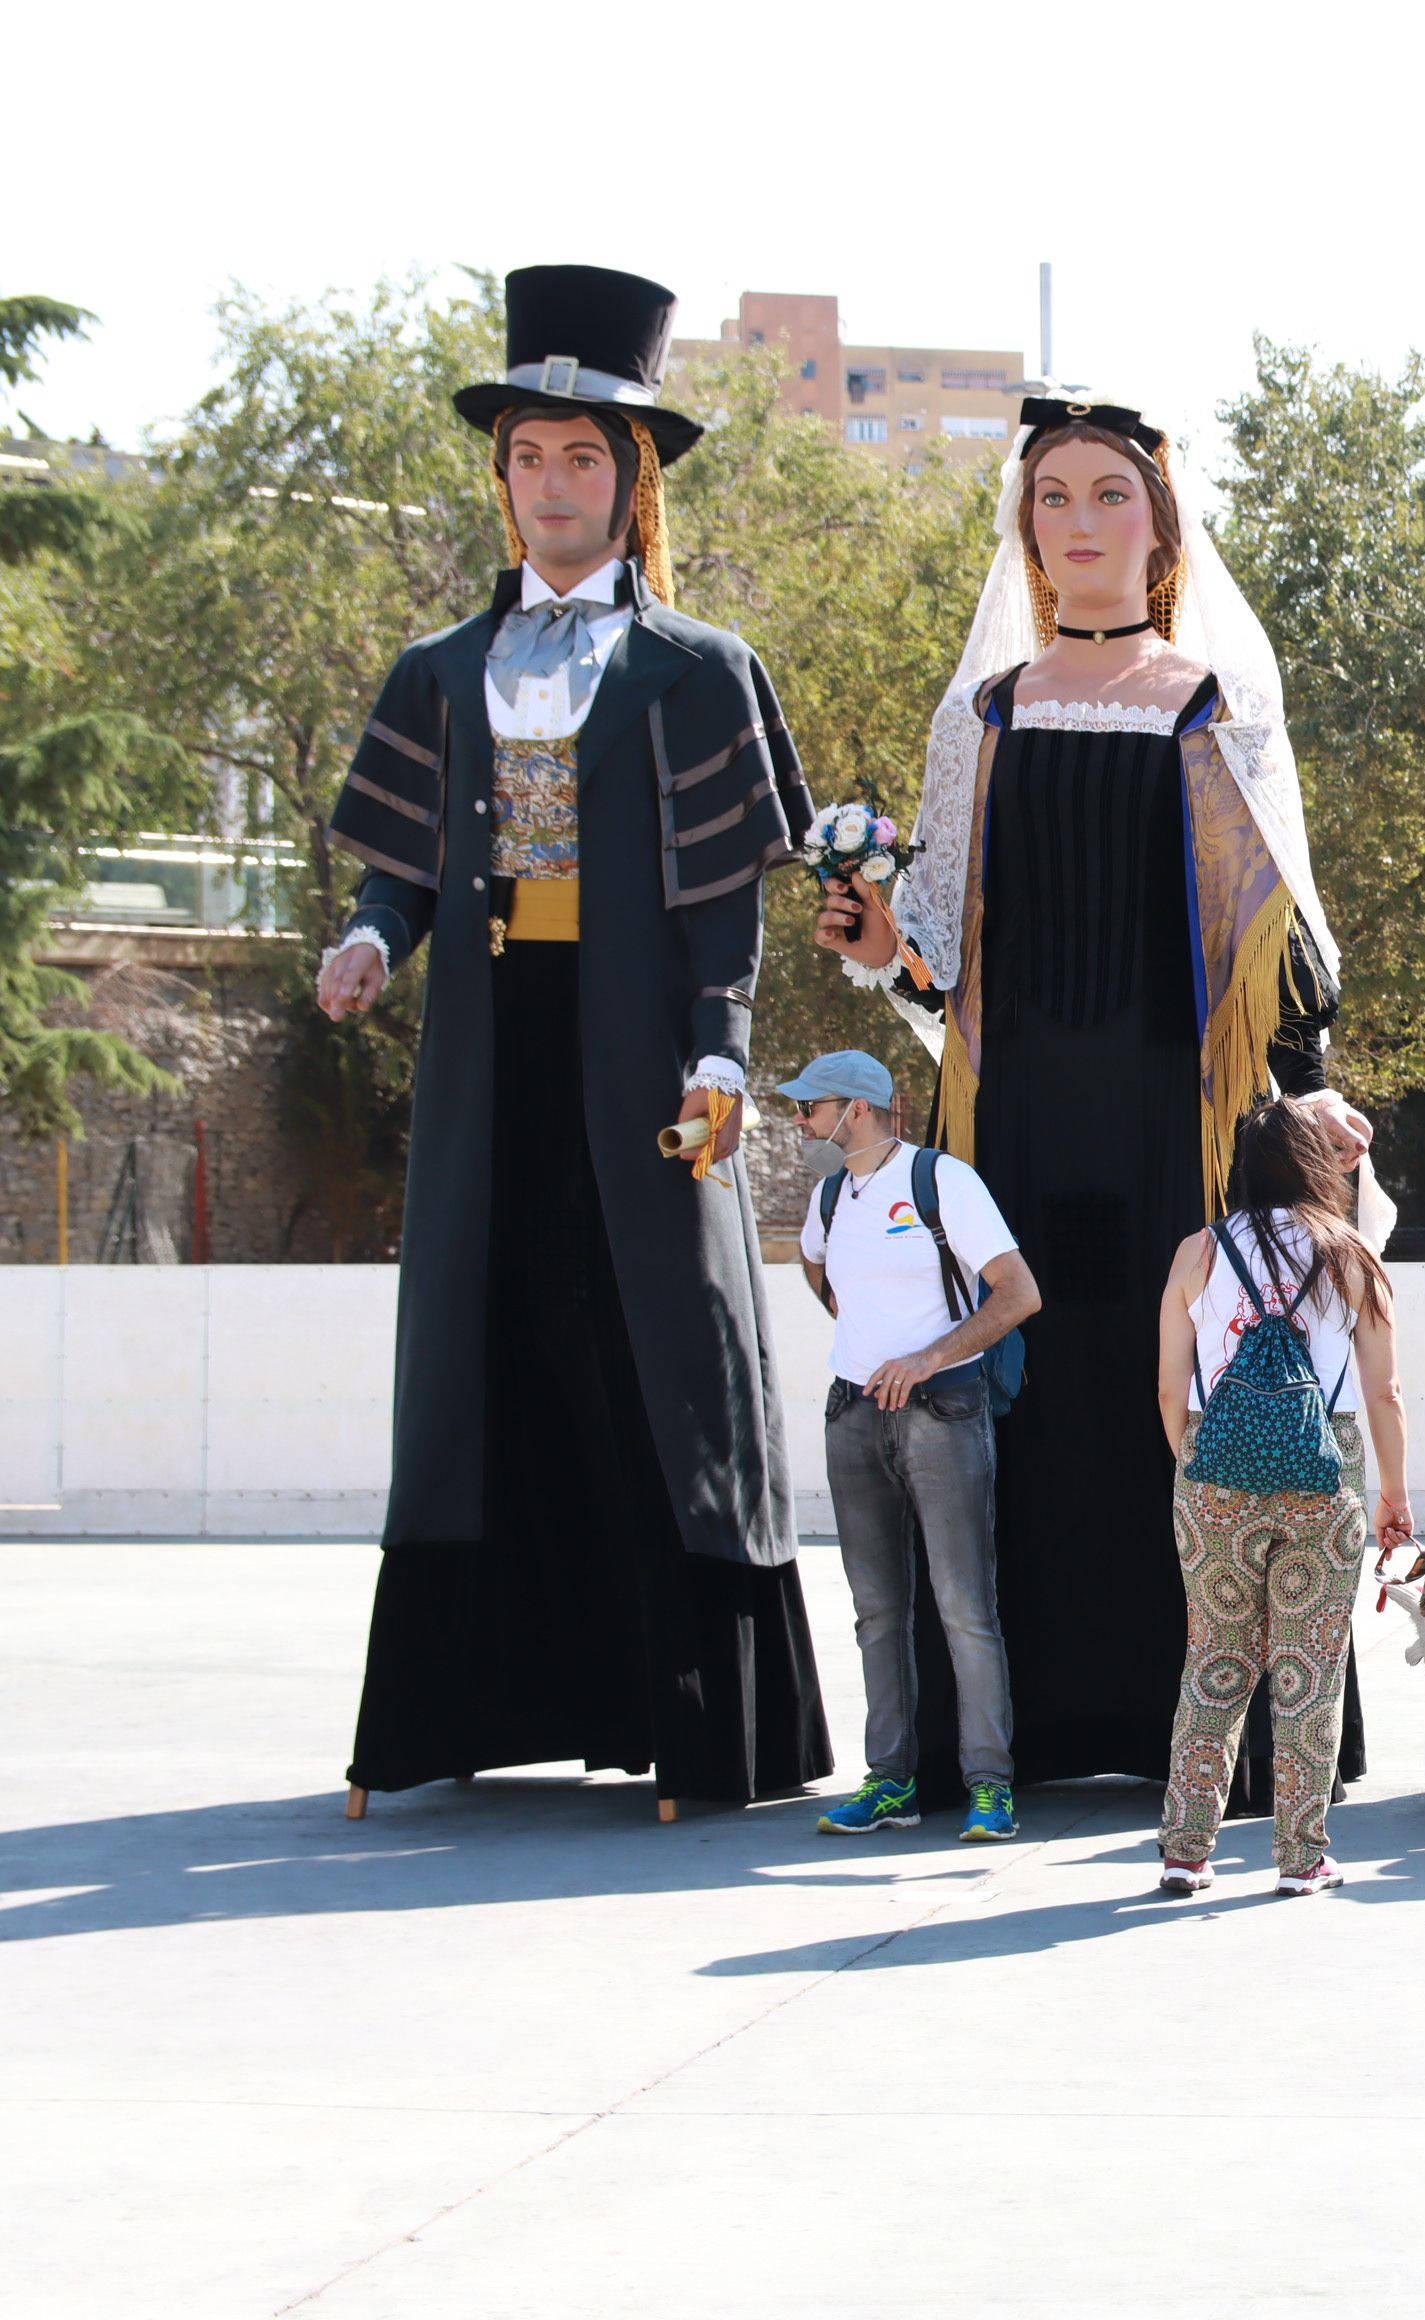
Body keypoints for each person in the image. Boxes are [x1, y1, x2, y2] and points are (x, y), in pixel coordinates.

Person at [317, 264, 827, 1823]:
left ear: (631, 482)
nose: (555, 485)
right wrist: (369, 937)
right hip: (492, 1058)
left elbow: (721, 892)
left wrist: (722, 1051)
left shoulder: (696, 671)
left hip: (649, 1066)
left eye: (586, 458)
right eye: (531, 455)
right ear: (503, 477)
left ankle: (692, 1724)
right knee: (486, 1350)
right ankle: (467, 1709)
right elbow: (423, 874)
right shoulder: (441, 673)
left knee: (659, 1348)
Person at [812, 394, 1375, 1801]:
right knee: (1016, 1392)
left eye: (1107, 496)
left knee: (1175, 1385)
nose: (1077, 525)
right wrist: (884, 952)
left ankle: (1207, 1735)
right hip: (1008, 1120)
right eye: (1052, 498)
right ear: (1026, 527)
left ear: (1160, 521)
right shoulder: (985, 713)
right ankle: (1015, 1732)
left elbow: (1282, 942)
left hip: (1172, 1119)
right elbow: (944, 967)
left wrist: (1308, 1111)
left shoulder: (1215, 706)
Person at [1152, 1099, 1413, 1897]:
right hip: (1322, 1475)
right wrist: (1393, 1495)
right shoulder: (1352, 1256)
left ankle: (1186, 1851)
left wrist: (1196, 1468)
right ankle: (1301, 1860)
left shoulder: (1197, 1250)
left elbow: (1168, 1386)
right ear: (1315, 1161)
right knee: (1309, 1669)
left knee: (1214, 1663)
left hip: (1213, 1478)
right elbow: (1385, 1392)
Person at [785, 1049, 1042, 1843]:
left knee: (965, 1606)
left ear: (856, 1111)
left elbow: (1021, 1293)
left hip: (944, 1411)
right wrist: (866, 1342)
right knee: (875, 1611)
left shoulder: (941, 1182)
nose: (801, 1121)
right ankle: (889, 1780)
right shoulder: (830, 1195)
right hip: (852, 1413)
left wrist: (926, 1357)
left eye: (811, 1108)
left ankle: (990, 1788)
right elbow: (815, 1267)